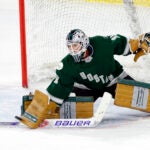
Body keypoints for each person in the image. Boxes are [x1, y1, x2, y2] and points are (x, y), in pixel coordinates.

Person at [16, 29, 150, 128]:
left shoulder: (102, 44)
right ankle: (35, 110)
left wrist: (138, 43)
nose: (72, 50)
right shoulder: (67, 65)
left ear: (84, 43)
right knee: (73, 108)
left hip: (115, 80)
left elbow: (122, 44)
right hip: (86, 88)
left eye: (75, 45)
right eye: (70, 46)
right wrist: (41, 108)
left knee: (142, 96)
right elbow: (60, 87)